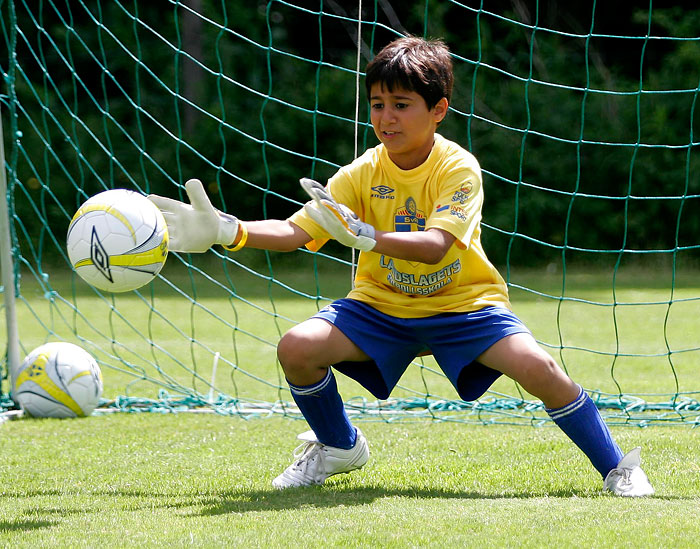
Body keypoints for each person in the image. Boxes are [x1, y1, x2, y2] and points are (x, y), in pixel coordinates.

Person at [148, 36, 654, 496]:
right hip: (380, 308)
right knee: (297, 348)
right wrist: (226, 230)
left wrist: (367, 235)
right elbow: (299, 230)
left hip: (465, 306)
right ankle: (340, 446)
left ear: (438, 110)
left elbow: (435, 246)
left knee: (539, 368)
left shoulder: (458, 167)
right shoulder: (362, 171)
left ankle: (617, 467)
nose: (386, 118)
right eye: (377, 105)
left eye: (401, 105)